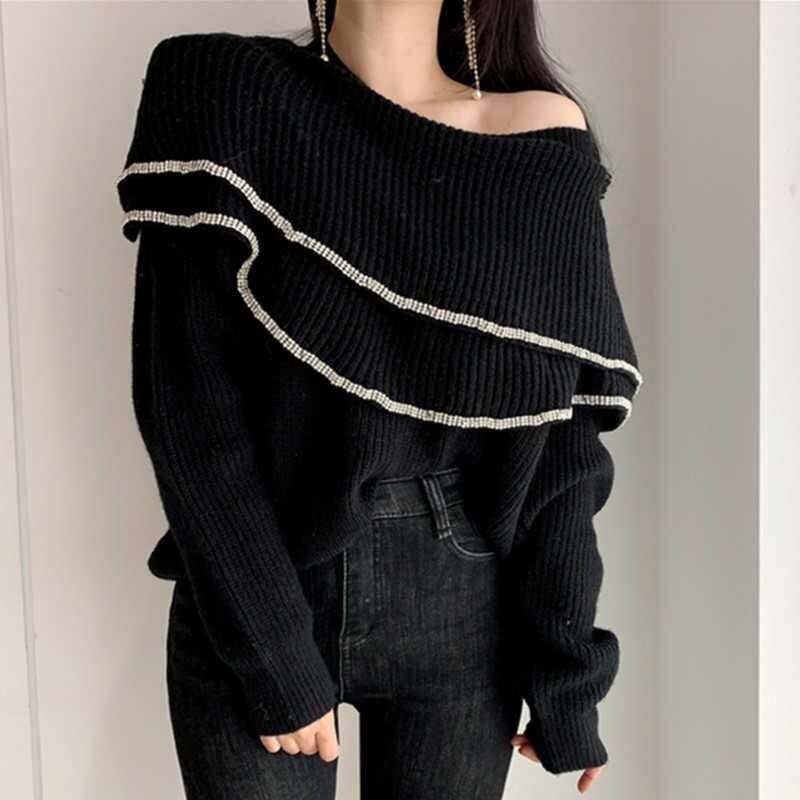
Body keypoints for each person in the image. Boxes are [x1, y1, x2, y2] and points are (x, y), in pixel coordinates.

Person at [114, 2, 642, 797]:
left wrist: (568, 675)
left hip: (462, 605)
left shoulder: (537, 131)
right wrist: (272, 652)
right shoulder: (221, 89)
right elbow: (187, 410)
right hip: (257, 581)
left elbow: (560, 446)